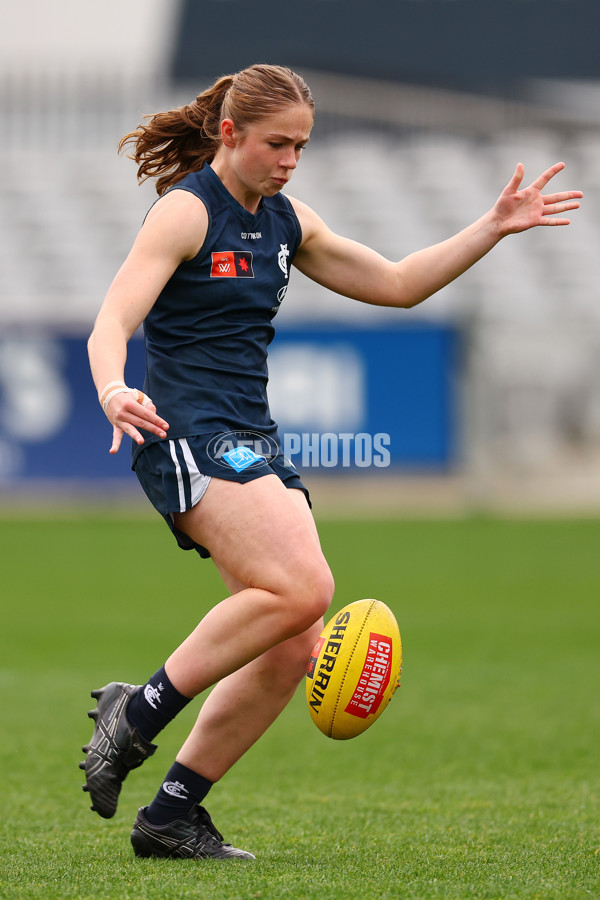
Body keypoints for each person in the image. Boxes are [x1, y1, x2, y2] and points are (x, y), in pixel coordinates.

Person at [82, 63, 582, 861]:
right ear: (229, 132)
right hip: (187, 433)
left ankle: (172, 814)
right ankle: (135, 715)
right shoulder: (184, 212)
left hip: (253, 434)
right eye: (276, 144)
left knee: (289, 641)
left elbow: (395, 284)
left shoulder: (287, 221)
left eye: (302, 147)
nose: (289, 160)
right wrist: (112, 388)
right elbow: (112, 317)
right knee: (305, 587)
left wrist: (492, 226)